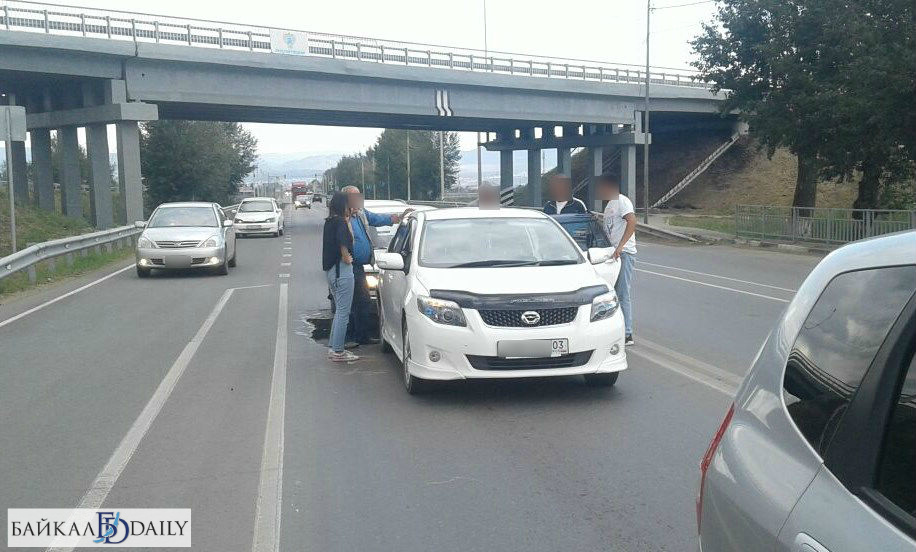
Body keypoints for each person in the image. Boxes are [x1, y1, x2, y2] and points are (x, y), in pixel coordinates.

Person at [342, 185, 401, 346]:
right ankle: (353, 336)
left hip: (359, 266)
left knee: (360, 301)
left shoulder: (361, 214)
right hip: (348, 266)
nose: (358, 199)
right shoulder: (342, 217)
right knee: (356, 302)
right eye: (354, 196)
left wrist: (394, 218)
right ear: (346, 199)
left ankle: (358, 335)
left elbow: (376, 219)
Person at [596, 173, 637, 346]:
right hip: (613, 255)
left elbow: (632, 221)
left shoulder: (622, 201)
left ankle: (627, 333)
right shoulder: (608, 206)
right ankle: (614, 330)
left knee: (622, 293)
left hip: (624, 253)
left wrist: (621, 246)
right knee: (611, 294)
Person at [322, 191, 359, 362]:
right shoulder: (340, 223)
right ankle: (338, 351)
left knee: (339, 311)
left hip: (332, 271)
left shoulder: (330, 221)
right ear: (342, 205)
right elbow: (344, 241)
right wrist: (346, 256)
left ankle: (333, 347)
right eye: (348, 204)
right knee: (344, 312)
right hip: (341, 271)